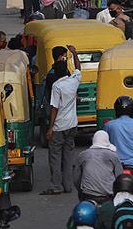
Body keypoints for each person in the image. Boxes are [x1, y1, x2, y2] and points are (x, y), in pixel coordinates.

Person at [41, 45, 82, 195]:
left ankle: (56, 185)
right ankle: (68, 185)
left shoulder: (56, 86)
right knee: (68, 155)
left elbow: (54, 108)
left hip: (59, 126)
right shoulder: (73, 81)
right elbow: (78, 68)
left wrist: (50, 128)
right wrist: (75, 53)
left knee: (55, 157)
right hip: (72, 125)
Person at [74, 130, 122, 203]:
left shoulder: (83, 155)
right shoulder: (113, 155)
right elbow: (119, 177)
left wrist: (82, 190)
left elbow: (76, 178)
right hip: (108, 196)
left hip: (87, 195)